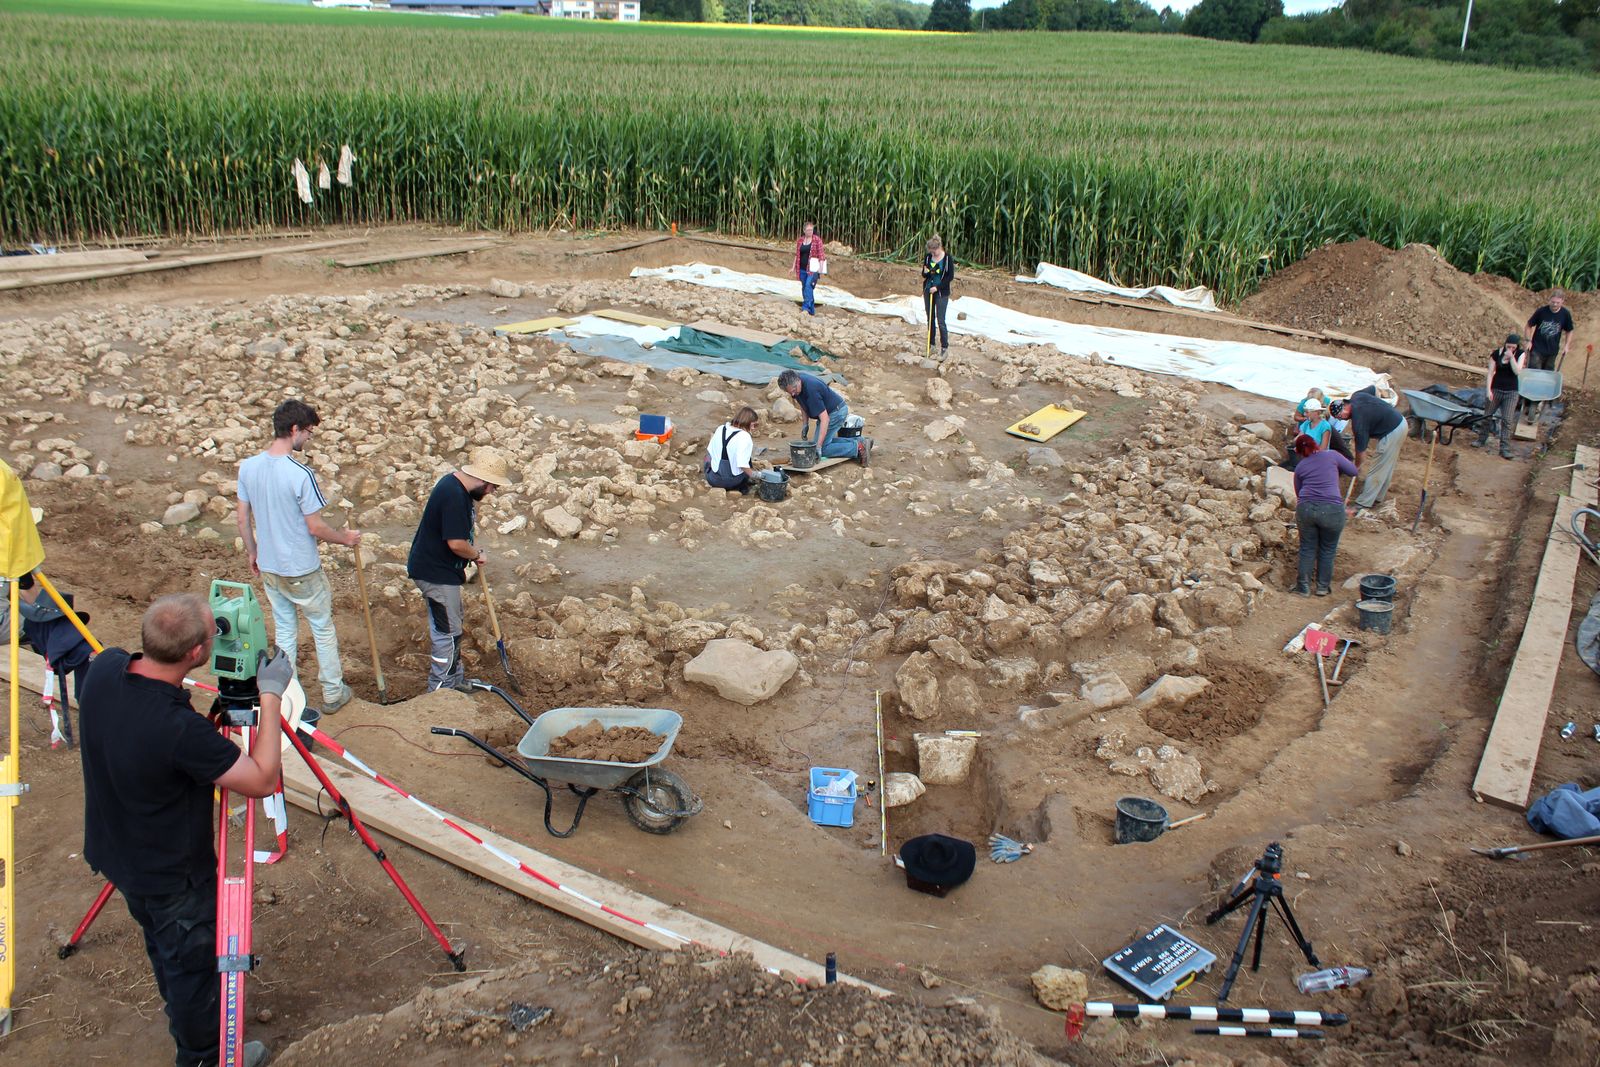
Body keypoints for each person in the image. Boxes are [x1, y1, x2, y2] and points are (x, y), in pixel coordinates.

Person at [79, 593, 288, 1067]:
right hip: (172, 877)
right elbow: (261, 779)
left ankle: (186, 1014)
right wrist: (270, 694)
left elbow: (140, 699)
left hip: (119, 854)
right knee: (191, 967)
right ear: (196, 654)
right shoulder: (179, 732)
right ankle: (204, 1056)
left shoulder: (103, 671)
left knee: (163, 946)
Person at [236, 399, 360, 714]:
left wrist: (253, 553)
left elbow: (242, 519)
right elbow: (315, 526)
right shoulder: (299, 474)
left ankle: (284, 693)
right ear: (294, 430)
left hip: (270, 566)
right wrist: (344, 538)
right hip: (301, 568)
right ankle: (333, 692)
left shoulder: (249, 467)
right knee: (321, 625)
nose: (308, 438)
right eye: (308, 432)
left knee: (285, 626)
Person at [407, 449, 516, 693]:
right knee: (447, 632)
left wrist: (471, 551)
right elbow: (455, 543)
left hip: (439, 570)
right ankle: (441, 689)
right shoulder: (454, 495)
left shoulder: (455, 486)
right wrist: (475, 554)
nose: (491, 492)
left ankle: (454, 680)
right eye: (492, 487)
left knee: (452, 626)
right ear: (481, 480)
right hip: (435, 573)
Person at [1290, 434, 1358, 596]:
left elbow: (1299, 493)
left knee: (1307, 548)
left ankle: (1303, 587)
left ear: (1298, 451)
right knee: (1328, 549)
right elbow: (1353, 471)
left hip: (1306, 509)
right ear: (1315, 444)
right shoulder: (1332, 455)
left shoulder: (1300, 467)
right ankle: (1322, 587)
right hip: (1332, 509)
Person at [1331, 387, 1405, 517]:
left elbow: (1361, 452)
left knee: (1377, 467)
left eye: (1341, 417)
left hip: (1392, 430)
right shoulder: (1357, 396)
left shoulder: (1359, 422)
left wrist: (1356, 467)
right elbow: (1373, 388)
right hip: (1399, 422)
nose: (1343, 420)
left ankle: (1362, 505)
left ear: (1343, 410)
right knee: (1386, 465)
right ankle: (1377, 498)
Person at [777, 370, 872, 466]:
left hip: (836, 413)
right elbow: (802, 403)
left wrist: (819, 447)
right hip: (829, 412)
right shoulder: (796, 387)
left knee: (822, 448)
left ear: (798, 381)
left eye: (793, 391)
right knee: (819, 443)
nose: (793, 394)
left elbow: (825, 419)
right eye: (790, 393)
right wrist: (805, 424)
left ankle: (858, 447)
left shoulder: (811, 390)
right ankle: (860, 441)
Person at [1474, 334, 1527, 459]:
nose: (1510, 349)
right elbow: (1491, 373)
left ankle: (1504, 448)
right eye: (1508, 346)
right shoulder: (1496, 354)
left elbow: (1517, 371)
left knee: (1507, 420)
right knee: (1487, 415)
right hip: (1496, 389)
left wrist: (1512, 358)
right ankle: (1481, 439)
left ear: (1516, 347)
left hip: (1511, 392)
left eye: (1513, 347)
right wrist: (1488, 390)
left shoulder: (1520, 354)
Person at [703, 406, 759, 493]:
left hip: (713, 480)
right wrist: (756, 475)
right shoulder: (745, 437)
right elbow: (742, 464)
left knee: (708, 456)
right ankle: (742, 487)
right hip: (733, 482)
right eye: (754, 425)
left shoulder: (720, 428)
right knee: (747, 461)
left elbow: (710, 451)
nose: (754, 428)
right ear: (747, 423)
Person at [921, 235, 955, 360]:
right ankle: (931, 345)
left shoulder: (947, 259)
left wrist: (938, 287)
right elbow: (925, 274)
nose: (932, 254)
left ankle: (944, 347)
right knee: (930, 319)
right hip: (928, 291)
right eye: (931, 251)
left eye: (934, 251)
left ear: (939, 247)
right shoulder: (929, 257)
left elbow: (949, 277)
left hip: (941, 293)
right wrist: (925, 272)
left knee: (941, 320)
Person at [1525, 290, 1574, 372]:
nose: (1554, 304)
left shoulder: (1565, 314)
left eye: (1557, 302)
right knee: (1534, 371)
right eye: (1553, 302)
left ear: (1562, 301)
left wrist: (1567, 345)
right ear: (1549, 300)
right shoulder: (1541, 311)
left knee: (1548, 373)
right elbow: (1528, 325)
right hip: (1537, 349)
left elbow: (1569, 330)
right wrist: (1528, 341)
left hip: (1552, 350)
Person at [793, 222, 826, 317]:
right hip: (802, 268)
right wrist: (793, 267)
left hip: (812, 269)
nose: (810, 232)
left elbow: (821, 255)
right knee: (804, 288)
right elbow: (797, 254)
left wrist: (820, 268)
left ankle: (805, 308)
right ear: (804, 231)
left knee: (808, 286)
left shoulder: (817, 240)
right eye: (808, 230)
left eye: (811, 230)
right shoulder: (800, 241)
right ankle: (811, 310)